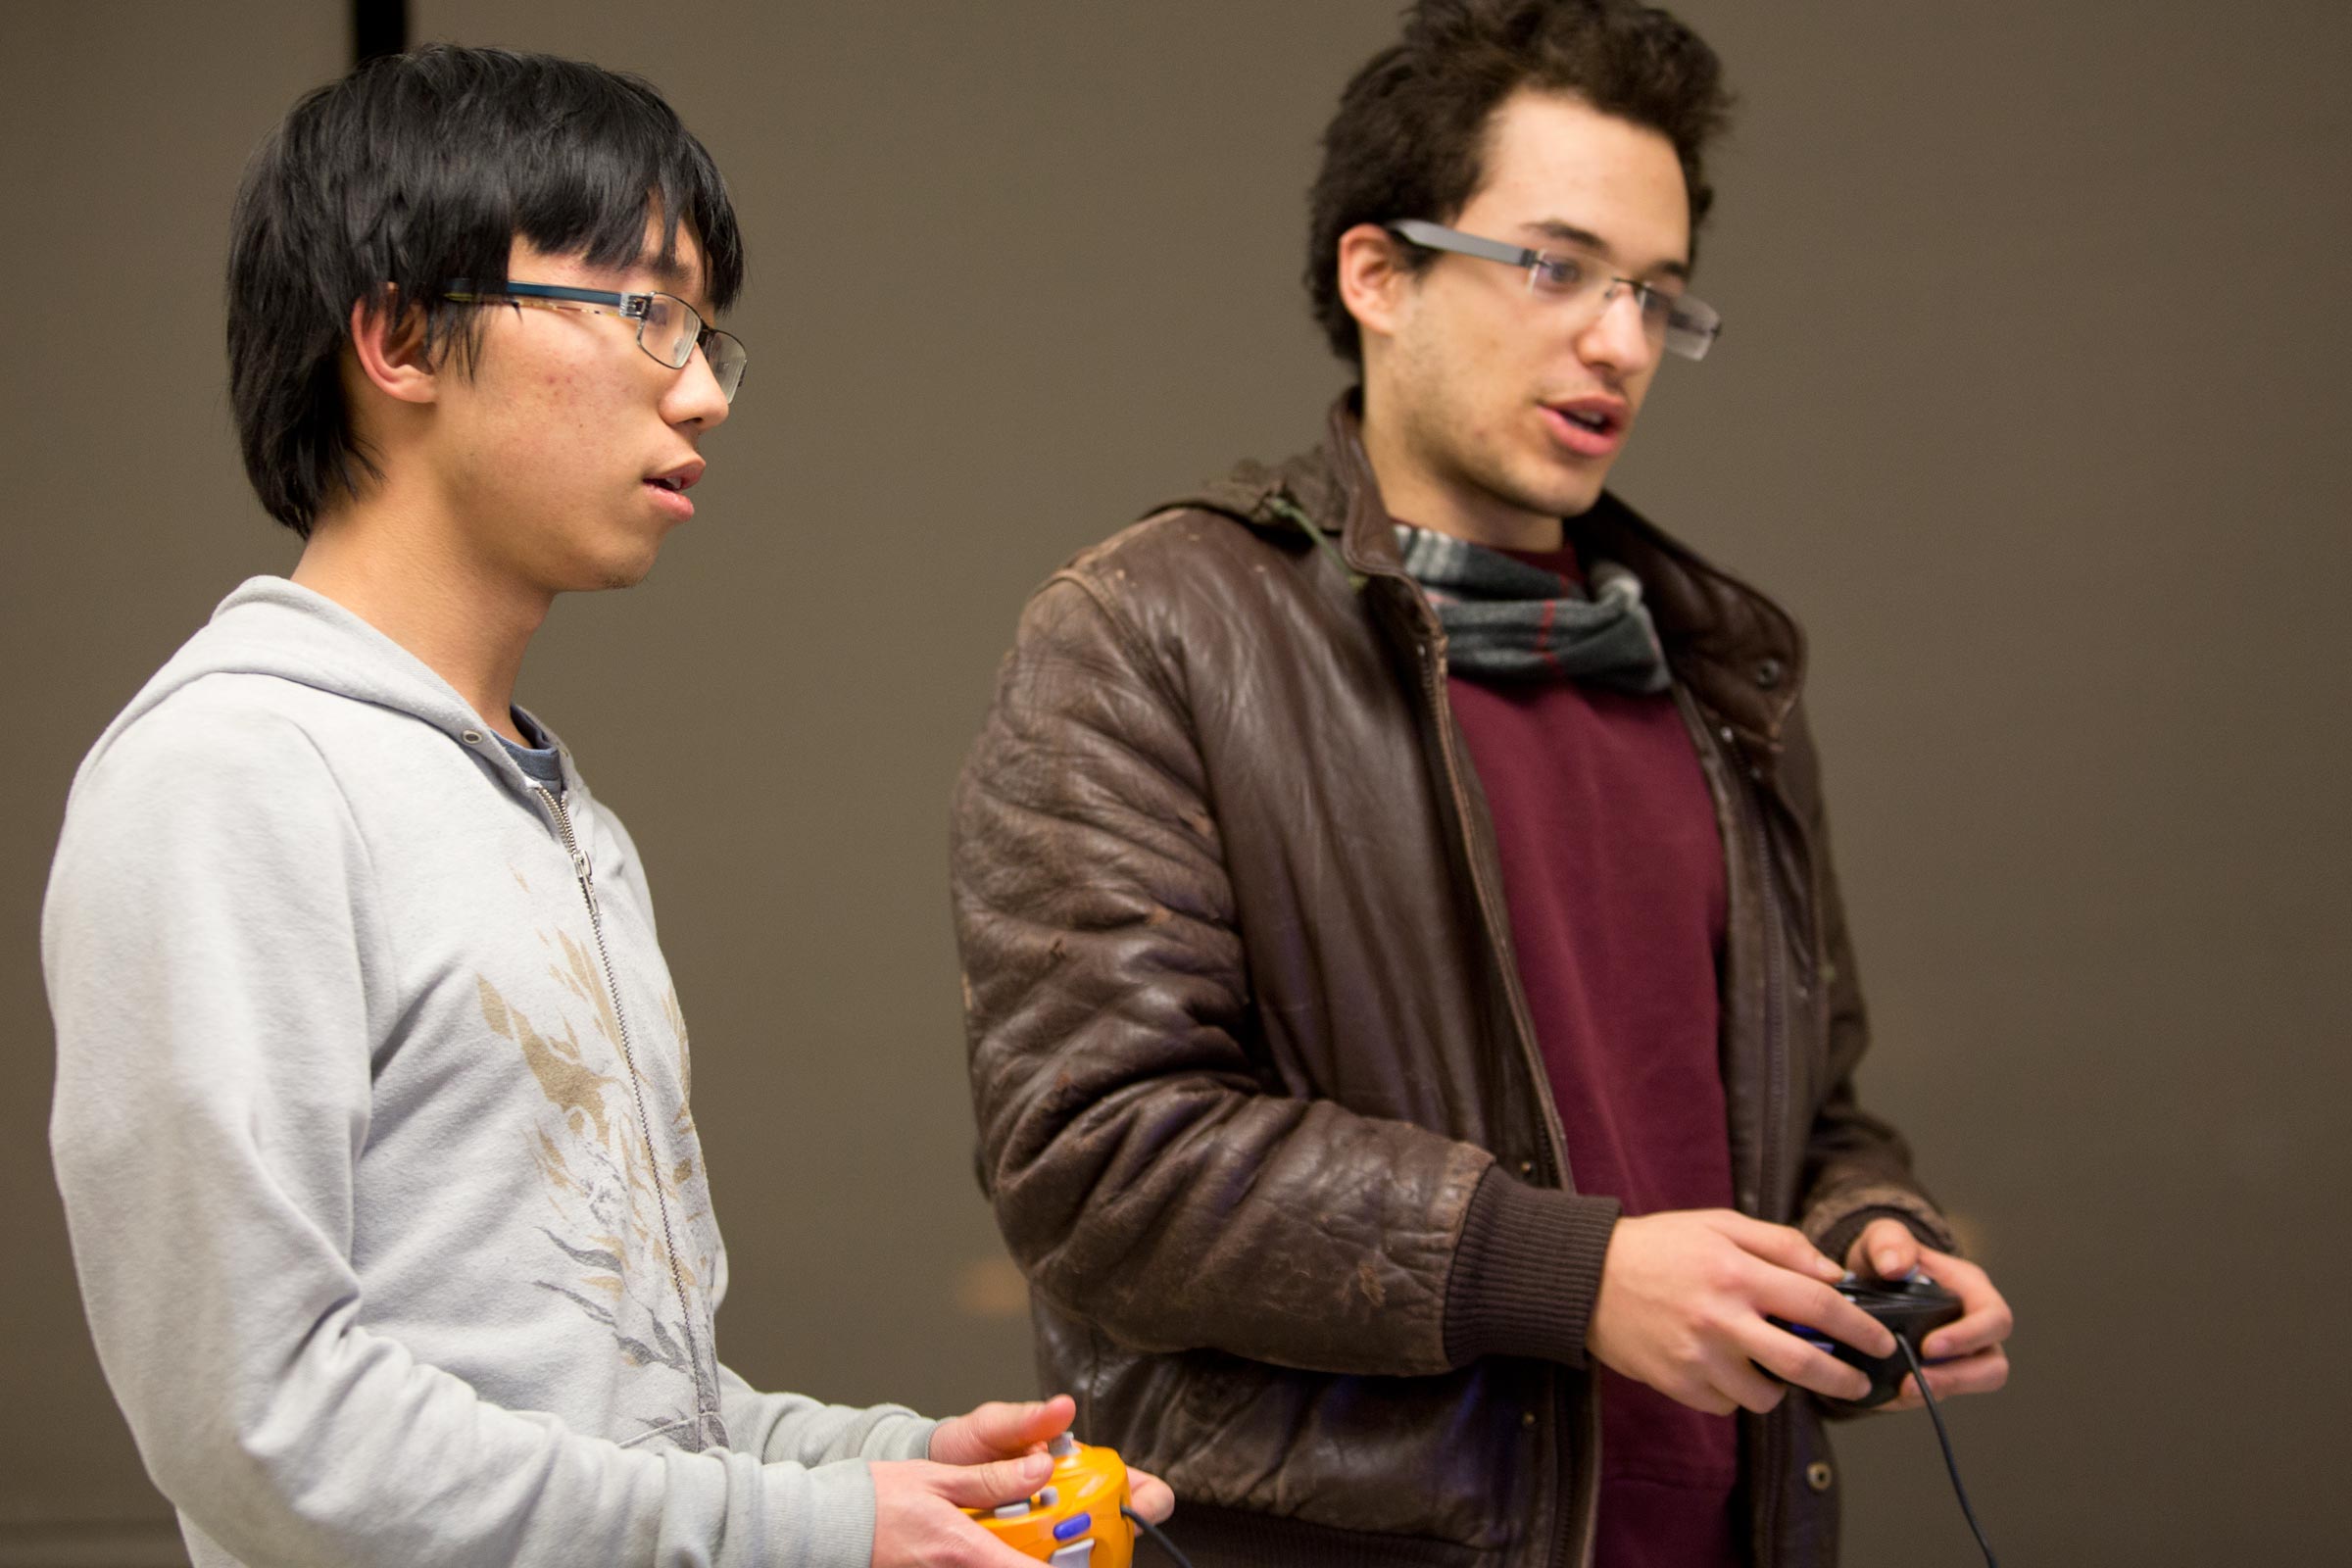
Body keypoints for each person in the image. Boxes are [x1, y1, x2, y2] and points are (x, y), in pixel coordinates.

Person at [43, 45, 1166, 1568]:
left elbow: (618, 1415)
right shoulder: (232, 779)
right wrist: (808, 1528)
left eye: (703, 333)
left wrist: (886, 1470)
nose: (701, 390)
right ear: (398, 336)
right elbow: (264, 1424)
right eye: (643, 313)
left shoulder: (559, 816)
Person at [947, 3, 2012, 1565]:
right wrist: (1571, 1275)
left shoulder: (1718, 677)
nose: (1620, 343)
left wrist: (1869, 1237)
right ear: (1378, 275)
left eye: (1655, 294)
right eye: (1557, 268)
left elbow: (1813, 1113)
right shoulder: (1148, 633)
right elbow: (1100, 1163)